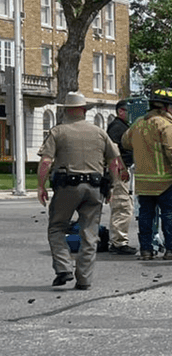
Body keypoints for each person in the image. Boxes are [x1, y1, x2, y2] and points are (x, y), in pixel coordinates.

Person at [36, 92, 125, 290]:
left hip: (67, 187)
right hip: (94, 188)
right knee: (89, 233)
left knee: (57, 227)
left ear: (66, 110)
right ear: (84, 110)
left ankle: (64, 267)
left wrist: (41, 186)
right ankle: (84, 279)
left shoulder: (58, 132)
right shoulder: (100, 133)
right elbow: (114, 163)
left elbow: (46, 162)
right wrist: (112, 186)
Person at [122, 87, 172, 261]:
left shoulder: (138, 123)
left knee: (146, 216)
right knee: (168, 216)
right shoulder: (166, 125)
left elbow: (125, 142)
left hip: (143, 181)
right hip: (165, 180)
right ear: (166, 107)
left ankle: (146, 250)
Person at [105, 99, 137, 255]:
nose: (131, 114)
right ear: (120, 111)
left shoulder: (123, 126)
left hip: (123, 170)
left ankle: (117, 240)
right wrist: (122, 169)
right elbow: (114, 152)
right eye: (128, 110)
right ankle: (119, 242)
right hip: (119, 172)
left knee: (123, 205)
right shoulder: (117, 127)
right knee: (122, 207)